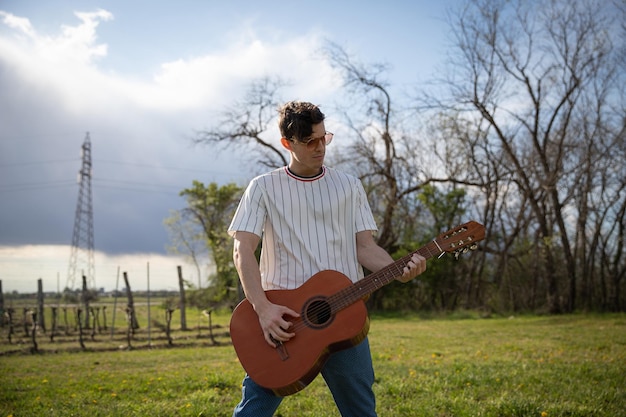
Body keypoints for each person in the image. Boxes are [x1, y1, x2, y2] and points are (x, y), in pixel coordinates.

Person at [228, 100, 427, 417]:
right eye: (310, 142)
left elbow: (365, 247)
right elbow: (242, 250)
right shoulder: (262, 187)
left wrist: (398, 270)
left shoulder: (349, 186)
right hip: (284, 322)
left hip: (345, 317)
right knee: (253, 412)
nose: (320, 147)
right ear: (287, 143)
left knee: (361, 411)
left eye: (324, 138)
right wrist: (262, 309)